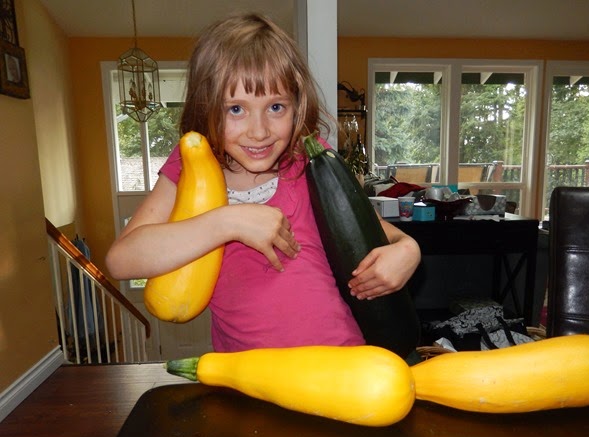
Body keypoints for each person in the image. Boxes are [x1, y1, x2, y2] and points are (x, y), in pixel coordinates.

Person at [105, 13, 421, 354]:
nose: (259, 131)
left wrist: (408, 250)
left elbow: (378, 234)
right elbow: (122, 260)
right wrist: (228, 222)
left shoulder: (308, 161)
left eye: (276, 107)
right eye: (236, 109)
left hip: (343, 365)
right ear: (205, 107)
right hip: (250, 377)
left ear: (297, 105)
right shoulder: (190, 165)